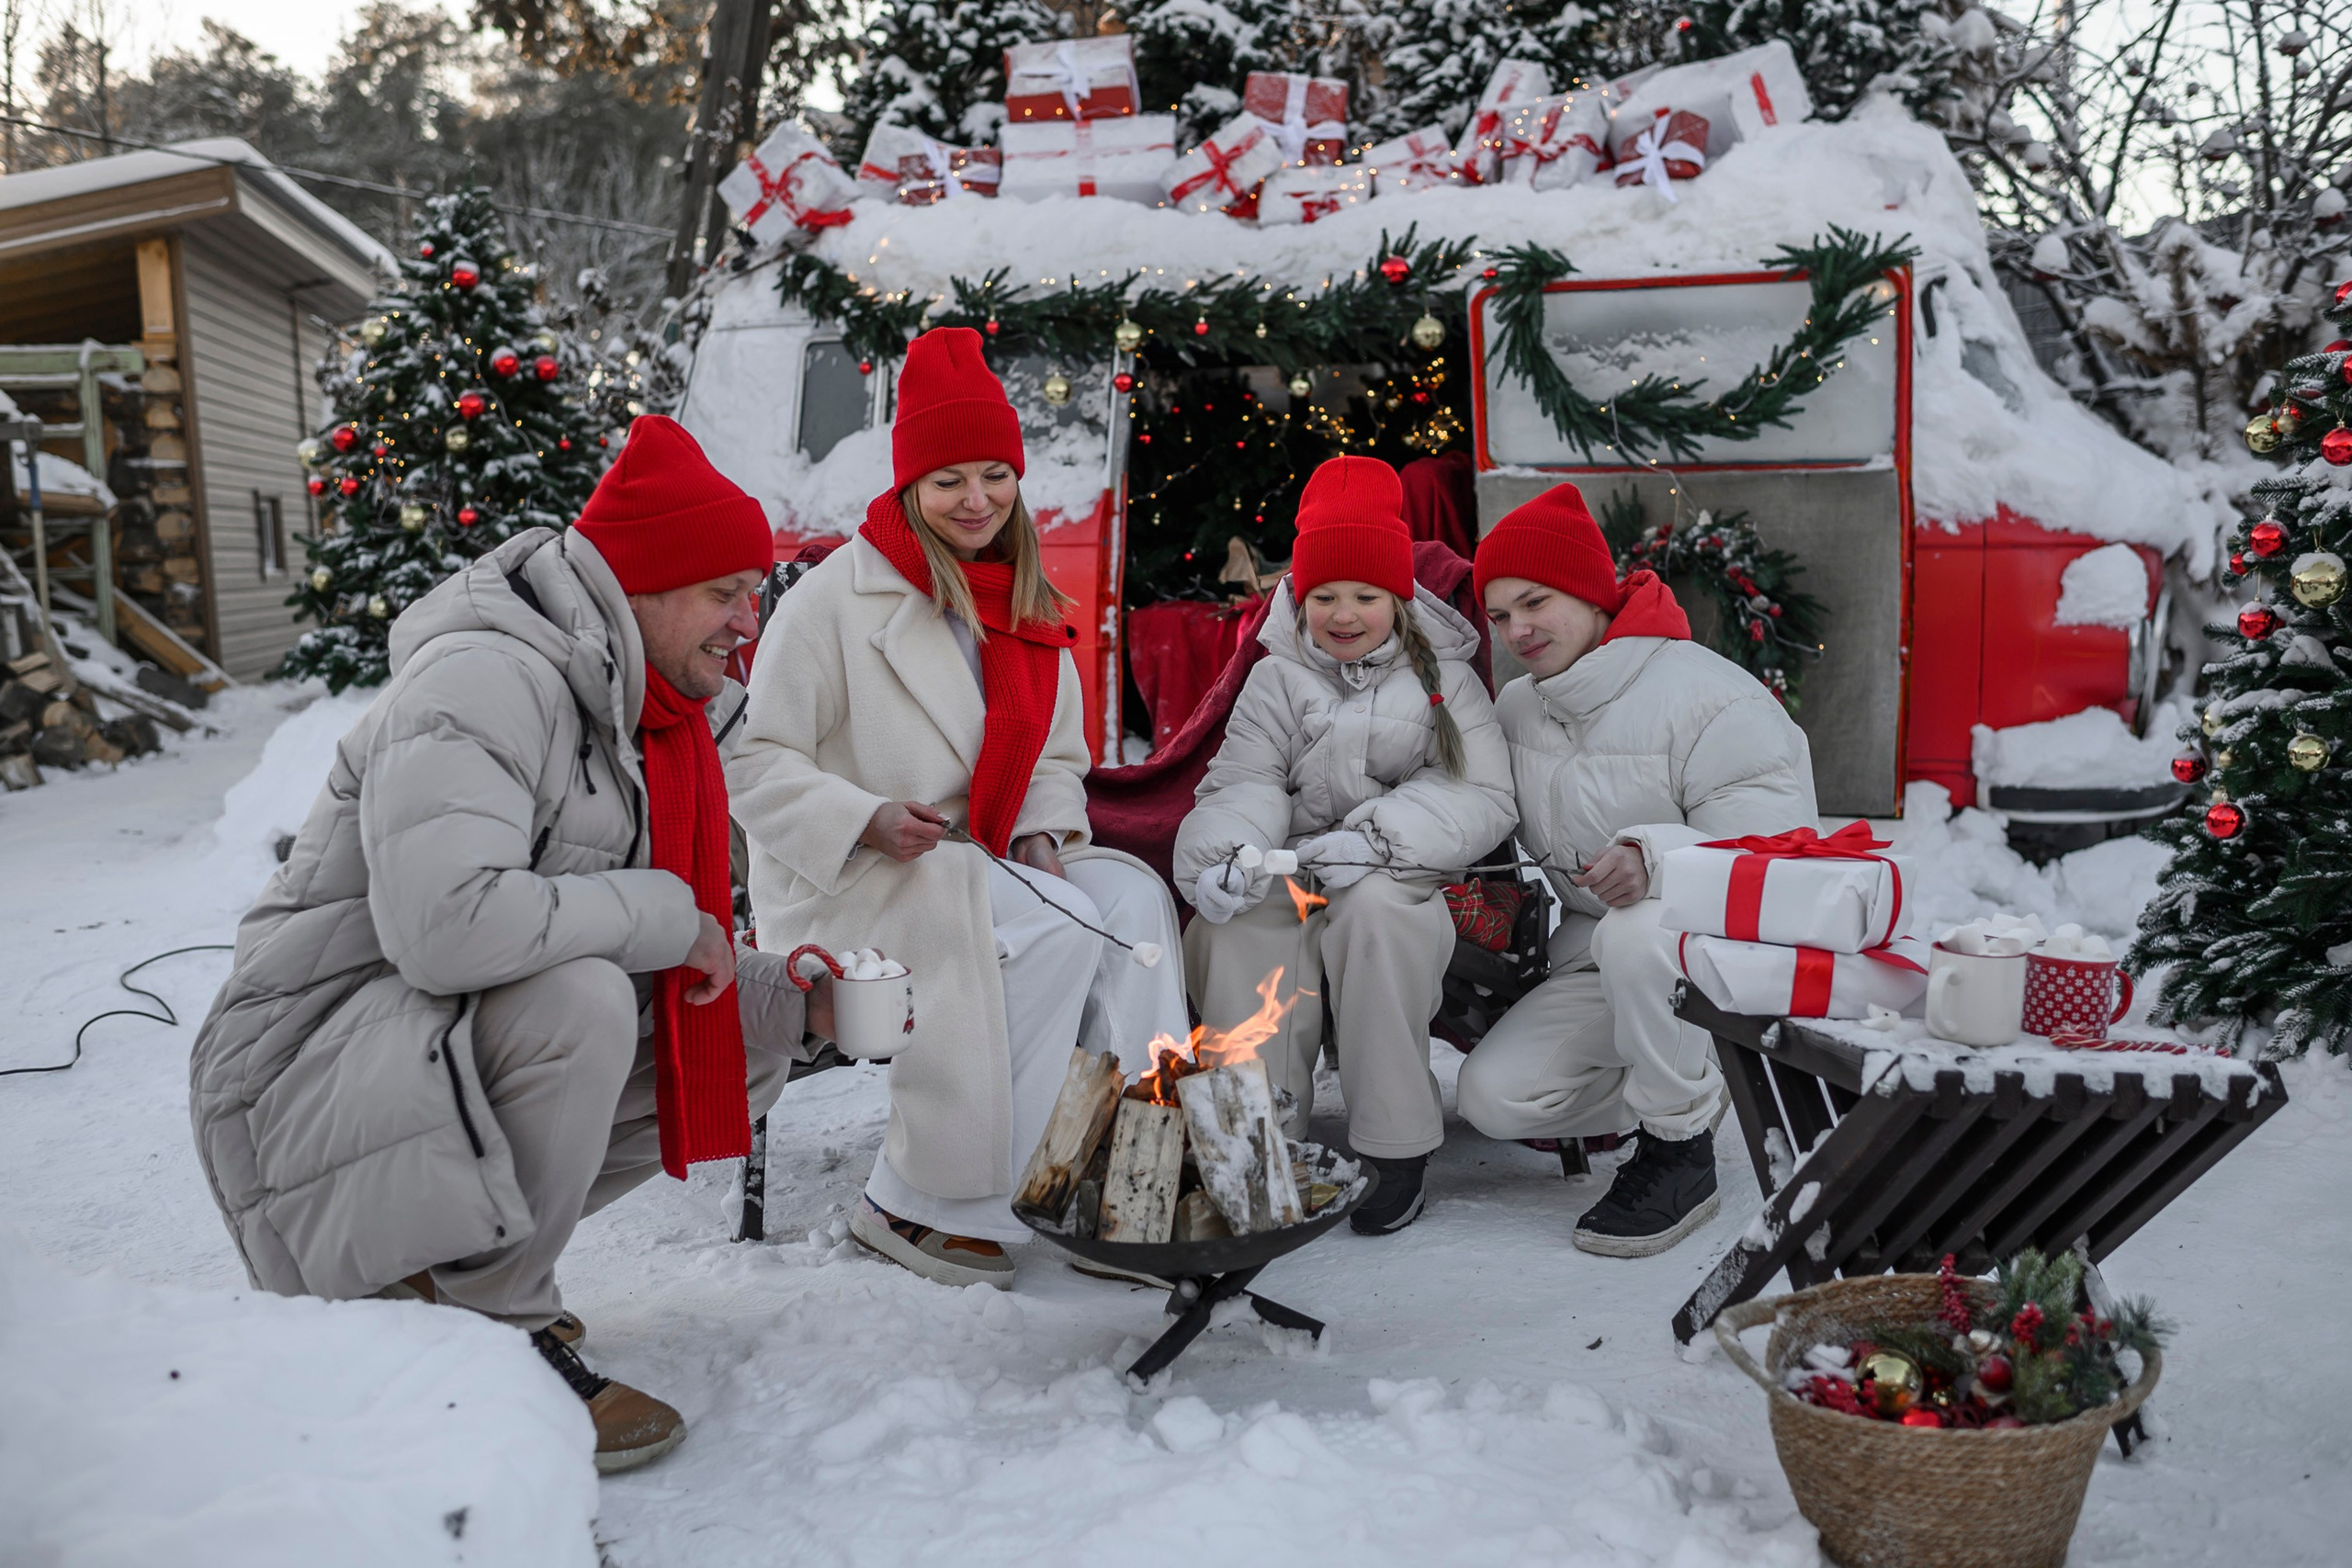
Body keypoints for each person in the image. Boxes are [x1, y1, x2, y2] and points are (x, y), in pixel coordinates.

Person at [188, 416, 831, 1474]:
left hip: (404, 1076)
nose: (746, 621)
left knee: (749, 1022)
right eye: (726, 593)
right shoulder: (488, 679)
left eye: (752, 593)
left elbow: (619, 915)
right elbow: (453, 929)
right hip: (291, 1097)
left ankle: (440, 1281)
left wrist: (793, 996)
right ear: (645, 587)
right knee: (578, 996)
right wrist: (673, 912)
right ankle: (491, 1336)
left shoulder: (649, 707)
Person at [728, 326, 1187, 1288]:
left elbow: (1059, 757)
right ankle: (918, 1202)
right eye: (948, 481)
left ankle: (1120, 1183)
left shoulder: (1026, 598)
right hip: (857, 877)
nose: (976, 500)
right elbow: (753, 758)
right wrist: (861, 816)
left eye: (995, 475)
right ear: (906, 487)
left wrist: (1044, 831)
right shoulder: (829, 603)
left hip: (984, 858)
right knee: (1055, 932)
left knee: (1133, 903)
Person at [1453, 482, 1817, 1257]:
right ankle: (1706, 1078)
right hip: (1603, 956)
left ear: (1589, 592)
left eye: (1535, 602)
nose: (1516, 629)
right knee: (1494, 1096)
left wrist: (1656, 856)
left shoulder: (1711, 699)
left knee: (1637, 928)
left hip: (1726, 952)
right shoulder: (1519, 710)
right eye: (1499, 615)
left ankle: (1679, 1145)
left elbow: (1782, 856)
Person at [1175, 457, 1515, 1235]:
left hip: (1403, 873)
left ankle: (1394, 1144)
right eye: (1324, 594)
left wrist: (1378, 837)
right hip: (1290, 868)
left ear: (1398, 598)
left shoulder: (1446, 682)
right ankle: (1252, 1144)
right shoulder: (1276, 678)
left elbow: (1482, 793)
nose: (1344, 612)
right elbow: (1244, 781)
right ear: (1299, 595)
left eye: (1366, 595)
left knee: (1376, 921)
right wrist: (1229, 850)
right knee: (1241, 929)